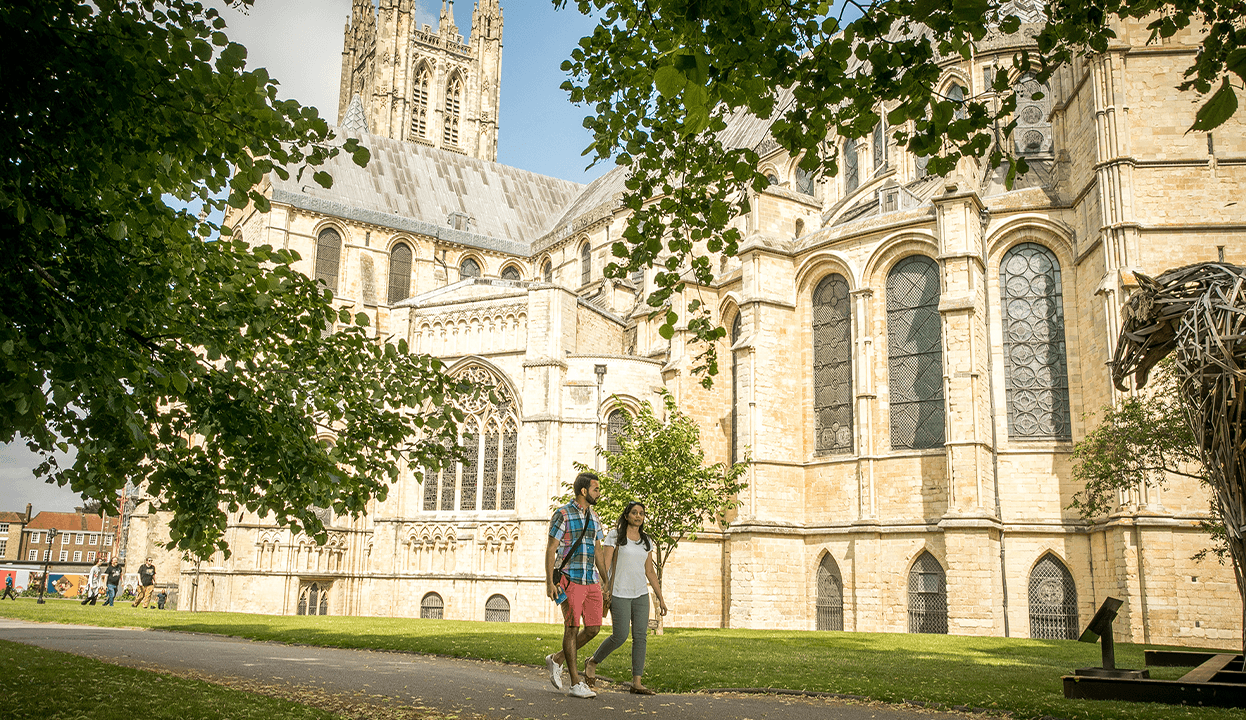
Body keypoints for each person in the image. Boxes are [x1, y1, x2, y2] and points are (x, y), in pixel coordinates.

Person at [585, 501, 668, 695]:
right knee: (620, 636)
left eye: (641, 513)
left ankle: (636, 683)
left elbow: (650, 571)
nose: (638, 516)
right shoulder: (615, 536)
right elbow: (604, 564)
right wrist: (603, 588)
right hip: (619, 592)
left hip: (640, 594)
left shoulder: (646, 540)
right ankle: (592, 662)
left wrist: (660, 597)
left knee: (641, 637)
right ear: (627, 515)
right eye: (634, 513)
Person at [544, 471, 606, 699]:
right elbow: (551, 548)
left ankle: (557, 658)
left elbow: (598, 549)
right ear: (583, 491)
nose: (599, 493)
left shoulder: (595, 516)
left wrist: (605, 578)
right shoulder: (562, 514)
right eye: (596, 489)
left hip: (591, 581)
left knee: (593, 629)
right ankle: (575, 683)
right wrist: (550, 582)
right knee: (572, 628)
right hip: (570, 580)